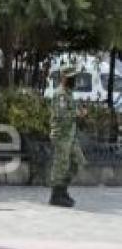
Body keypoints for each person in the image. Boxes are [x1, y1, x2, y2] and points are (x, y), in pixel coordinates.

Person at [49, 67, 86, 207]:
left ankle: (63, 189)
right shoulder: (60, 94)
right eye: (71, 77)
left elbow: (69, 113)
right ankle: (56, 195)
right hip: (61, 135)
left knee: (77, 161)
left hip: (70, 135)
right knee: (61, 164)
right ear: (64, 78)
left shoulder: (69, 93)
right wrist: (77, 114)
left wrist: (79, 113)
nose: (74, 80)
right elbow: (60, 115)